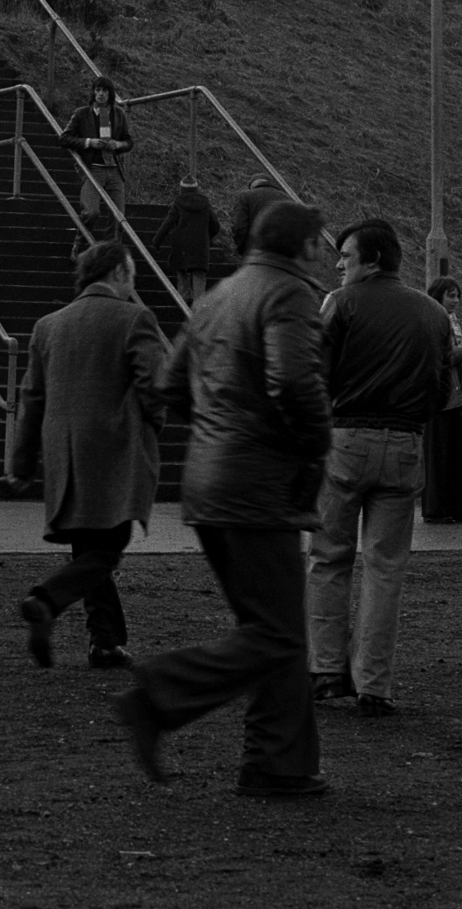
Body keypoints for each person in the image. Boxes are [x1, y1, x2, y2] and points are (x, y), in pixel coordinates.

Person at [115, 200, 335, 797]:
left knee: (272, 627)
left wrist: (217, 423)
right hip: (258, 481)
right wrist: (316, 446)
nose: (328, 250)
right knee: (277, 634)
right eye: (323, 240)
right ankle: (158, 697)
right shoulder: (289, 294)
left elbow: (168, 384)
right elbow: (292, 380)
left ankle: (277, 766)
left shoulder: (217, 296)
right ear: (306, 245)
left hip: (210, 478)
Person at [305, 218, 453, 716]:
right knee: (385, 567)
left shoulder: (341, 303)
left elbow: (315, 373)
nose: (339, 264)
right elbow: (441, 389)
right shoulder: (432, 312)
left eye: (346, 255)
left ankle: (326, 671)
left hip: (346, 437)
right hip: (407, 442)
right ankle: (375, 683)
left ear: (371, 259)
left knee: (329, 557)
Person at [9, 240, 166, 672]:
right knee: (109, 547)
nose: (132, 283)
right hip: (114, 450)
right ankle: (46, 600)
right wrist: (154, 421)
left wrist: (22, 463)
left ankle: (105, 642)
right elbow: (155, 383)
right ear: (117, 273)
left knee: (88, 550)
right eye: (131, 274)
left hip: (65, 454)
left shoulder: (48, 326)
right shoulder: (135, 318)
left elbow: (32, 398)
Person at [421, 276, 462, 523]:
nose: (455, 300)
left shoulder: (456, 323)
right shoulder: (430, 320)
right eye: (450, 295)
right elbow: (439, 356)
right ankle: (434, 509)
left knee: (455, 455)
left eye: (457, 296)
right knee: (436, 456)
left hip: (455, 396)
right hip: (437, 397)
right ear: (438, 296)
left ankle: (457, 507)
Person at [62, 76, 133, 239]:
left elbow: (129, 141)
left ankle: (108, 251)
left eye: (105, 90)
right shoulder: (82, 114)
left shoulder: (119, 114)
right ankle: (81, 242)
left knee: (118, 216)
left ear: (110, 93)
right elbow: (64, 138)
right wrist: (89, 142)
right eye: (98, 90)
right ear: (93, 92)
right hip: (93, 168)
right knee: (91, 212)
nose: (101, 94)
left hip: (114, 169)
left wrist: (118, 145)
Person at [150, 175, 222, 304]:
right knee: (199, 274)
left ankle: (184, 299)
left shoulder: (178, 204)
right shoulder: (205, 204)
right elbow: (215, 225)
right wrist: (207, 236)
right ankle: (199, 303)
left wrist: (156, 242)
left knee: (181, 271)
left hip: (181, 245)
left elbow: (168, 223)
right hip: (200, 246)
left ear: (181, 189)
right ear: (196, 189)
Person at [228, 174, 283, 258]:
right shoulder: (286, 198)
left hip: (254, 251)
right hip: (281, 254)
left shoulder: (246, 196)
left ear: (252, 184)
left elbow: (239, 226)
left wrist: (241, 248)